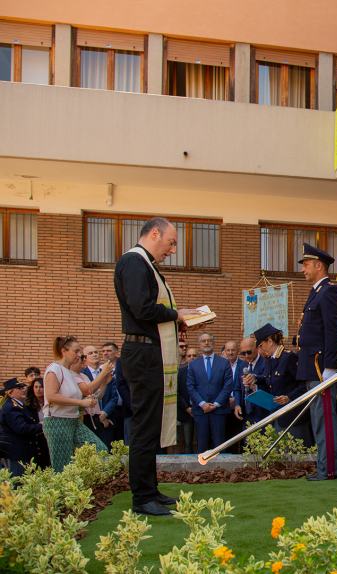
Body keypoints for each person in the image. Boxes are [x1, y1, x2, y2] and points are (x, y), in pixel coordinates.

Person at [113, 216, 198, 516]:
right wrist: (177, 315)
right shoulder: (135, 262)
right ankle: (142, 499)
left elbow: (147, 311)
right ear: (154, 233)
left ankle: (150, 490)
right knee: (144, 427)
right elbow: (142, 308)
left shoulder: (145, 265)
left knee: (150, 426)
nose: (172, 250)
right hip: (144, 354)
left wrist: (176, 323)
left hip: (150, 352)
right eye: (171, 242)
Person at [295, 243, 337, 480]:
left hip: (319, 367)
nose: (303, 269)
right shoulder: (316, 292)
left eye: (306, 265)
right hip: (311, 366)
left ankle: (330, 469)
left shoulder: (329, 292)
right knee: (319, 418)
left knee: (324, 418)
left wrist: (329, 367)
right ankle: (325, 466)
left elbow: (332, 332)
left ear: (318, 265)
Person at [42, 336, 114, 471]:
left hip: (74, 421)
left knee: (100, 450)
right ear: (64, 351)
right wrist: (81, 402)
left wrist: (103, 379)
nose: (79, 355)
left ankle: (86, 481)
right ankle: (65, 490)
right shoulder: (54, 369)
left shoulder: (69, 372)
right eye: (76, 351)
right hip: (57, 421)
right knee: (62, 467)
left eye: (80, 351)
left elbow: (87, 390)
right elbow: (51, 396)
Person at [253, 323, 310, 443]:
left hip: (293, 417)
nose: (259, 350)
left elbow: (304, 385)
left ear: (269, 341)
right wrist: (255, 379)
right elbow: (270, 380)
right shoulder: (270, 360)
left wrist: (289, 397)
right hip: (277, 415)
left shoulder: (289, 358)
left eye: (261, 345)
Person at [185, 332, 233, 454]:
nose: (206, 343)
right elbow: (190, 387)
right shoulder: (193, 364)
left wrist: (215, 404)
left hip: (219, 411)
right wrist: (202, 404)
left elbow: (227, 386)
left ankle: (222, 471)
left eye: (209, 340)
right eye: (203, 341)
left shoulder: (224, 362)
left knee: (220, 445)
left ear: (214, 342)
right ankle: (202, 471)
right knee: (202, 446)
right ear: (199, 344)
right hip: (201, 411)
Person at [0, 378, 46, 476]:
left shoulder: (19, 405)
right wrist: (42, 426)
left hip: (26, 452)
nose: (24, 389)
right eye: (19, 388)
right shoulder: (11, 407)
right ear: (10, 392)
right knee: (19, 482)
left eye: (23, 387)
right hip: (18, 453)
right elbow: (21, 428)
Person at [236, 336, 267, 424]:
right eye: (243, 353)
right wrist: (237, 404)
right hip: (246, 413)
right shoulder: (241, 365)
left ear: (256, 348)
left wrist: (255, 385)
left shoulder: (266, 363)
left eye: (249, 352)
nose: (246, 356)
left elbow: (268, 383)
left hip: (262, 412)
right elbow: (237, 388)